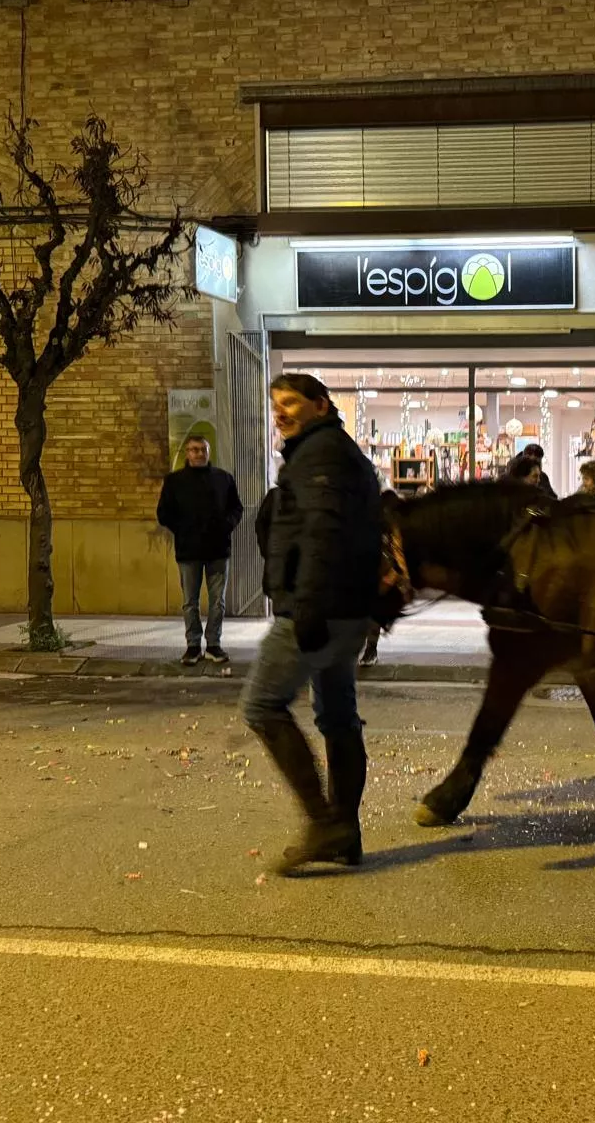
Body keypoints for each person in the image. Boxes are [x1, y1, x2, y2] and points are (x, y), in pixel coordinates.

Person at [244, 373, 384, 872]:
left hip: (320, 607)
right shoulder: (325, 450)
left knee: (261, 704)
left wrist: (306, 605)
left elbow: (323, 533)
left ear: (320, 405)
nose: (280, 411)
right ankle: (345, 831)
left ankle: (326, 825)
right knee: (338, 716)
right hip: (345, 607)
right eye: (276, 403)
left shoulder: (322, 454)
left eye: (291, 402)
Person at [156, 435, 244, 666]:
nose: (198, 454)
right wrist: (183, 529)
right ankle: (193, 646)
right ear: (186, 453)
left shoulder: (223, 479)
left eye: (202, 449)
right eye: (193, 450)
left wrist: (226, 525)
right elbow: (163, 513)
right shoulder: (175, 481)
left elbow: (237, 508)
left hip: (218, 549)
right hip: (188, 550)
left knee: (218, 602)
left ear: (208, 451)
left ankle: (214, 644)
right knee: (190, 601)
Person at [361, 490, 402, 668]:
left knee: (373, 612)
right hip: (377, 575)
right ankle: (369, 649)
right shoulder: (383, 525)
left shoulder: (382, 524)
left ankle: (370, 649)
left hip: (379, 576)